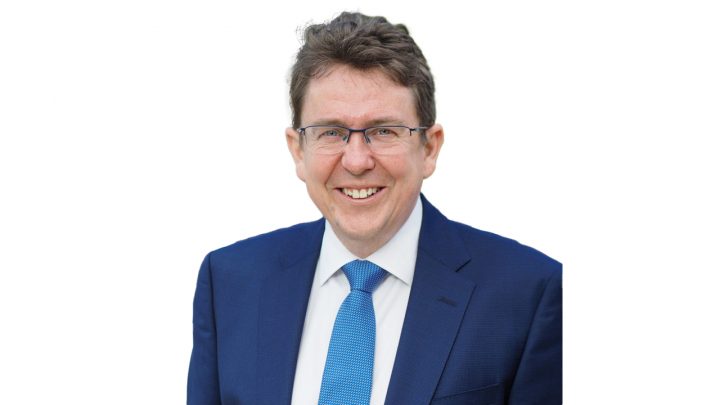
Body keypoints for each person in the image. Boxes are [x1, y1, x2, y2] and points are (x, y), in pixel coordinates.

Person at [187, 11, 562, 405]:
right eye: (331, 132)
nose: (356, 161)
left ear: (429, 148)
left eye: (383, 131)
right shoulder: (230, 281)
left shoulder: (529, 294)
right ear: (298, 150)